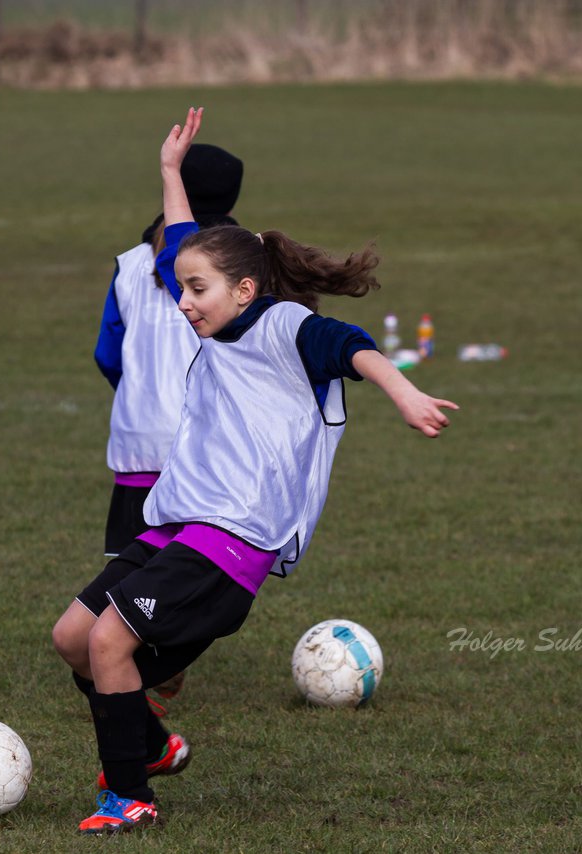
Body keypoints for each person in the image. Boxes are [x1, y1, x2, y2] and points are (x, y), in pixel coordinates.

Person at [52, 107, 459, 836]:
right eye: (180, 289)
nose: (182, 303)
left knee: (111, 644)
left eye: (197, 290)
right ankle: (152, 746)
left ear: (244, 289)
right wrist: (171, 172)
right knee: (73, 637)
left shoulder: (279, 328)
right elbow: (185, 245)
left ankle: (127, 798)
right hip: (184, 527)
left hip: (231, 542)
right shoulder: (221, 316)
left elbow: (350, 344)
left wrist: (404, 393)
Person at [91, 143, 244, 717]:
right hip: (202, 446)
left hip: (137, 441)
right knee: (191, 565)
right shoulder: (239, 266)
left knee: (131, 563)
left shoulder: (132, 262)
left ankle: (126, 662)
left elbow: (109, 353)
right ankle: (160, 661)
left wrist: (135, 397)